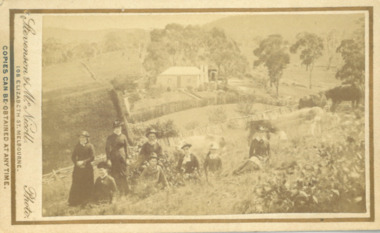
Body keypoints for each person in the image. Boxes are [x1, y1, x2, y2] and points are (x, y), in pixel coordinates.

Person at [68, 131, 95, 206]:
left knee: (87, 184)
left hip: (87, 168)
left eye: (83, 137)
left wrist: (84, 162)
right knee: (77, 183)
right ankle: (75, 202)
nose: (81, 139)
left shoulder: (90, 146)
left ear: (87, 138)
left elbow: (92, 157)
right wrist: (76, 162)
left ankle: (87, 201)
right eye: (80, 137)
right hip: (78, 168)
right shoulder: (77, 146)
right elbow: (73, 157)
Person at [105, 120, 130, 195]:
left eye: (118, 127)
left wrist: (128, 158)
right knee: (115, 174)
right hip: (114, 158)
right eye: (116, 127)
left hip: (122, 158)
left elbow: (127, 148)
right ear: (113, 129)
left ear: (121, 128)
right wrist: (108, 159)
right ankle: (119, 191)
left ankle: (127, 191)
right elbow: (107, 149)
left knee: (124, 174)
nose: (117, 129)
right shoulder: (110, 137)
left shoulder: (123, 136)